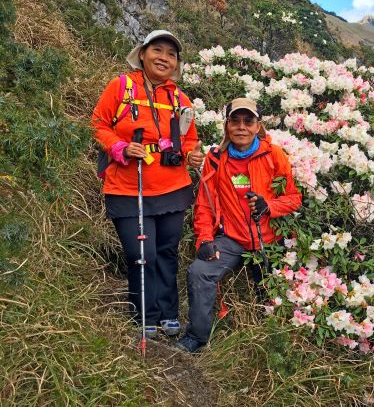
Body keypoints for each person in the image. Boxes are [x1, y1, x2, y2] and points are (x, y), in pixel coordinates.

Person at [92, 30, 204, 338]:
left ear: (176, 63)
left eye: (171, 54)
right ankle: (145, 313)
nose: (164, 57)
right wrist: (120, 147)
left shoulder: (180, 99)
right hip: (129, 187)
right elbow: (98, 124)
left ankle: (168, 313)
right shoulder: (121, 87)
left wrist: (193, 154)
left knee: (167, 251)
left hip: (173, 187)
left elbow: (191, 138)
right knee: (142, 253)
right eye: (158, 50)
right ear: (142, 53)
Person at [175, 98, 302, 353]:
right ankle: (198, 336)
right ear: (227, 125)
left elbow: (293, 198)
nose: (241, 126)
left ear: (258, 126)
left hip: (268, 240)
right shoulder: (215, 159)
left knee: (269, 295)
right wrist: (205, 240)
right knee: (200, 272)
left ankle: (270, 343)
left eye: (248, 121)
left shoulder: (273, 155)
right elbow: (204, 205)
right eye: (235, 120)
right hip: (231, 239)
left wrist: (269, 206)